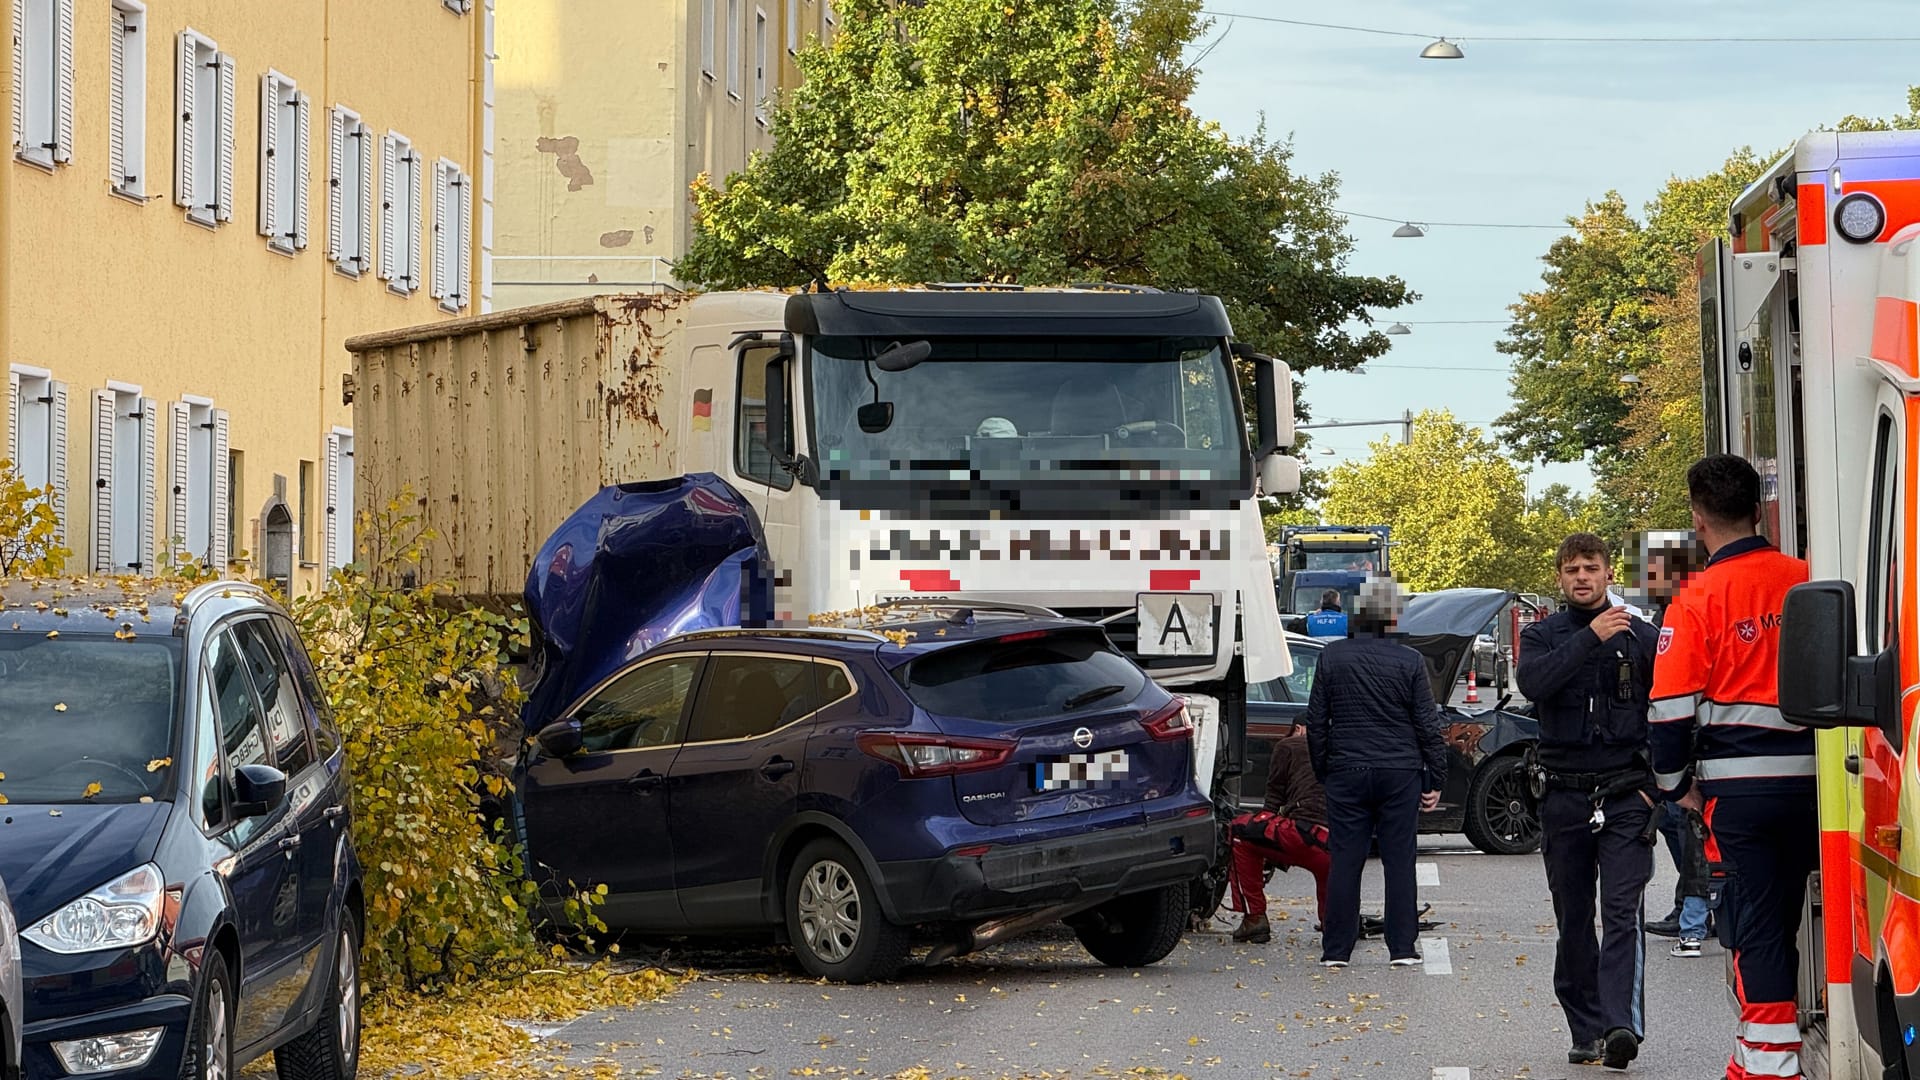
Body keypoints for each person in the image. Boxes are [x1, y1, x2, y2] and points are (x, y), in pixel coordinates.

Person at [1649, 455, 1811, 1080]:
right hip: (1827, 785)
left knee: (1759, 925)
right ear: (1759, 508)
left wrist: (1675, 787)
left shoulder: (1695, 599)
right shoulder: (1808, 577)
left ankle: (1767, 1068)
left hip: (1740, 794)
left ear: (1697, 518)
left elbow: (1668, 713)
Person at [1515, 533, 1661, 1071]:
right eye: (1572, 568)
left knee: (1622, 912)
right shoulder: (1542, 636)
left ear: (1607, 575)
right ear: (1559, 578)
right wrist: (1589, 639)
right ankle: (1586, 1026)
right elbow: (1534, 684)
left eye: (1591, 568)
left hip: (1626, 795)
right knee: (1573, 918)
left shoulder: (1641, 637)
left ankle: (1620, 1025)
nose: (1582, 576)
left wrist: (1659, 785)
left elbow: (1667, 708)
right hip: (1564, 796)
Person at [1303, 578, 1446, 969]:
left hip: (1346, 769)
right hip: (1399, 771)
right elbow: (1426, 725)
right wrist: (1435, 779)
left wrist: (1324, 769)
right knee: (1400, 860)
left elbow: (1317, 721)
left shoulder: (1332, 657)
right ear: (1394, 618)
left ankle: (1336, 950)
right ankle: (1402, 948)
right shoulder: (1410, 661)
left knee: (1346, 859)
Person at [1638, 538, 1718, 955]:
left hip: (1692, 742)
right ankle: (1690, 906)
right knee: (1675, 826)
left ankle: (1698, 910)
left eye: (1655, 570)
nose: (1648, 578)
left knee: (1692, 835)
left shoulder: (1688, 610)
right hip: (1680, 743)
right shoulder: (1664, 611)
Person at [1227, 724, 1330, 944]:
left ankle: (1254, 918)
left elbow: (1273, 800)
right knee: (1331, 874)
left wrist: (1265, 844)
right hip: (1339, 843)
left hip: (1304, 837)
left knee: (1240, 831)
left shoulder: (1290, 745)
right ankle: (1334, 923)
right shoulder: (1348, 747)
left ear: (1300, 729)